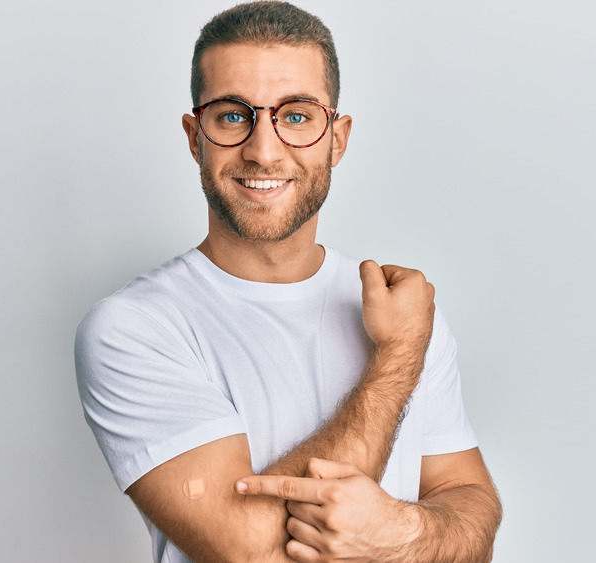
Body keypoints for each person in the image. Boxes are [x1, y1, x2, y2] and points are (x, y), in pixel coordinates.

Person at [75, 2, 502, 561]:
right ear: (193, 135)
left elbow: (471, 505)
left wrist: (404, 534)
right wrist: (397, 357)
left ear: (338, 139)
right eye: (232, 115)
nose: (264, 150)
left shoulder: (403, 309)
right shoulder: (135, 328)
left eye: (296, 116)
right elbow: (260, 555)